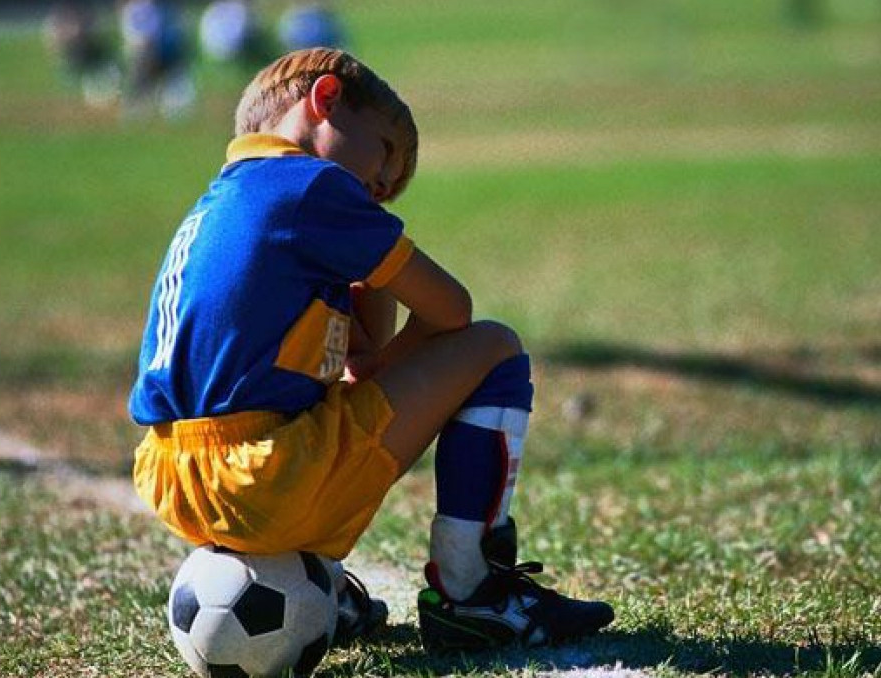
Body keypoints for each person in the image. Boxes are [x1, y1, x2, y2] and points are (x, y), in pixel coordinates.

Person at [128, 47, 614, 651]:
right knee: (494, 346)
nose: (383, 189)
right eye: (385, 152)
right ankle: (473, 592)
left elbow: (347, 364)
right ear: (325, 100)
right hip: (263, 477)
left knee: (354, 377)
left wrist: (369, 325)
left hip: (174, 474)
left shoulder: (228, 198)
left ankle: (321, 581)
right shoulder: (308, 186)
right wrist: (397, 358)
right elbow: (450, 309)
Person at [118, 0, 195, 118]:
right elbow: (133, 37)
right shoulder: (133, 9)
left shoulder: (159, 8)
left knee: (175, 56)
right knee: (142, 59)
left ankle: (173, 100)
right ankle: (136, 103)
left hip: (160, 52)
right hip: (141, 54)